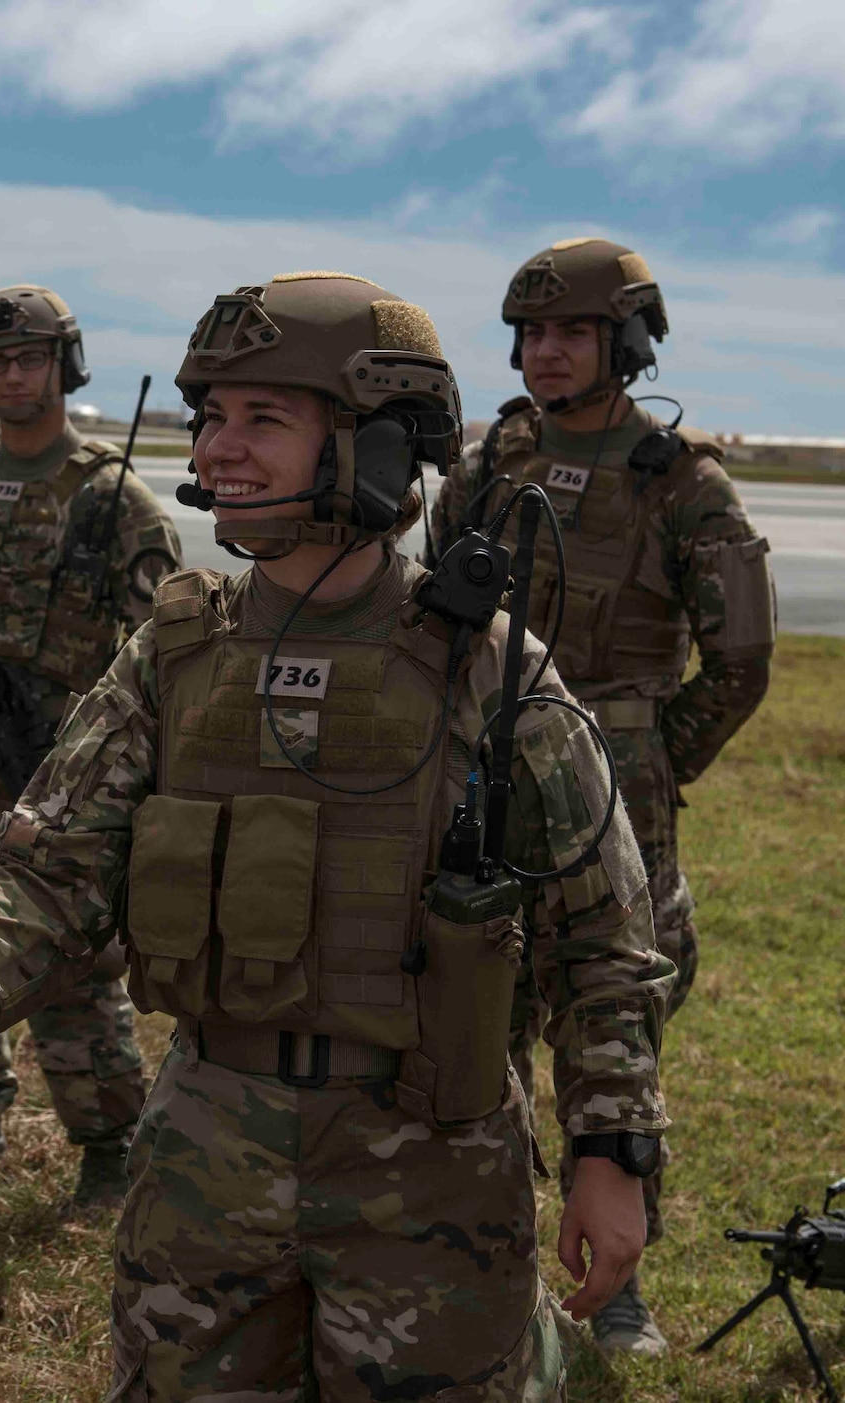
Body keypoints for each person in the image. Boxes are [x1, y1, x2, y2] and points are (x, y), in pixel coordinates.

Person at [0, 272, 676, 1399]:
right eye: (209, 418)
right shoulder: (174, 652)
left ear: (375, 449)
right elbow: (49, 878)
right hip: (203, 1156)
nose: (218, 448)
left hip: (429, 1172)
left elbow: (603, 943)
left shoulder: (489, 666)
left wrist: (608, 1151)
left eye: (262, 419)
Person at [424, 237, 775, 1355]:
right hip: (484, 762)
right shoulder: (494, 461)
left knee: (612, 1017)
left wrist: (649, 754)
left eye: (569, 331)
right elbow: (435, 595)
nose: (544, 351)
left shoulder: (676, 478)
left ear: (623, 341)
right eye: (528, 333)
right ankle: (476, 1254)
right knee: (475, 1005)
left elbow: (739, 658)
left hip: (618, 786)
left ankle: (617, 1282)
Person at [0, 285, 181, 1203]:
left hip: (67, 775)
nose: (14, 375)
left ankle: (106, 1141)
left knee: (68, 957)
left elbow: (162, 646)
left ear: (65, 366)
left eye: (31, 359)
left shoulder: (114, 500)